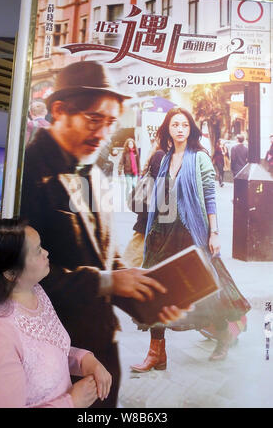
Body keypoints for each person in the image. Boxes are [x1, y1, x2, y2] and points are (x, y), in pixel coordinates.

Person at [20, 60, 184, 407]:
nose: (103, 133)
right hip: (56, 357)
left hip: (101, 354)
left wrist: (146, 301)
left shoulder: (93, 172)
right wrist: (108, 282)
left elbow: (106, 255)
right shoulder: (28, 172)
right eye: (94, 119)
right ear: (59, 110)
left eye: (110, 123)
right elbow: (20, 276)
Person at [130, 108, 251, 372]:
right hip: (161, 234)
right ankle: (156, 354)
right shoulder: (164, 159)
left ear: (191, 129)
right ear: (168, 129)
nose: (180, 129)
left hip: (190, 233)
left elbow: (209, 196)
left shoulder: (200, 159)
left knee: (205, 291)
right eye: (175, 124)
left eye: (185, 124)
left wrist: (214, 233)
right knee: (155, 291)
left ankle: (223, 335)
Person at [0, 218, 112, 408]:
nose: (46, 253)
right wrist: (72, 402)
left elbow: (43, 353)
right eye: (38, 251)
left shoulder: (35, 291)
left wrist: (84, 360)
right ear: (10, 273)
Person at [123, 141, 165, 268]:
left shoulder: (162, 154)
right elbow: (160, 182)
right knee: (132, 259)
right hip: (148, 215)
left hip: (153, 215)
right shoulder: (160, 154)